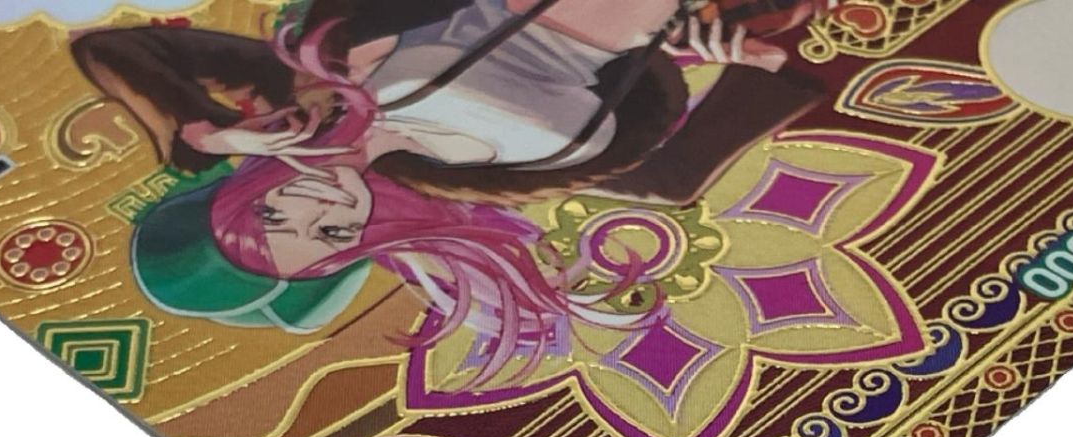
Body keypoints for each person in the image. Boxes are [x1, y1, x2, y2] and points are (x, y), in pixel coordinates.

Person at [71, 0, 828, 379]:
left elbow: (116, 47)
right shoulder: (506, 178)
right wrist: (712, 40)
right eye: (329, 235)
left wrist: (208, 135)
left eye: (273, 213)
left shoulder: (311, 87)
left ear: (251, 186)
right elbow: (674, 137)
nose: (318, 207)